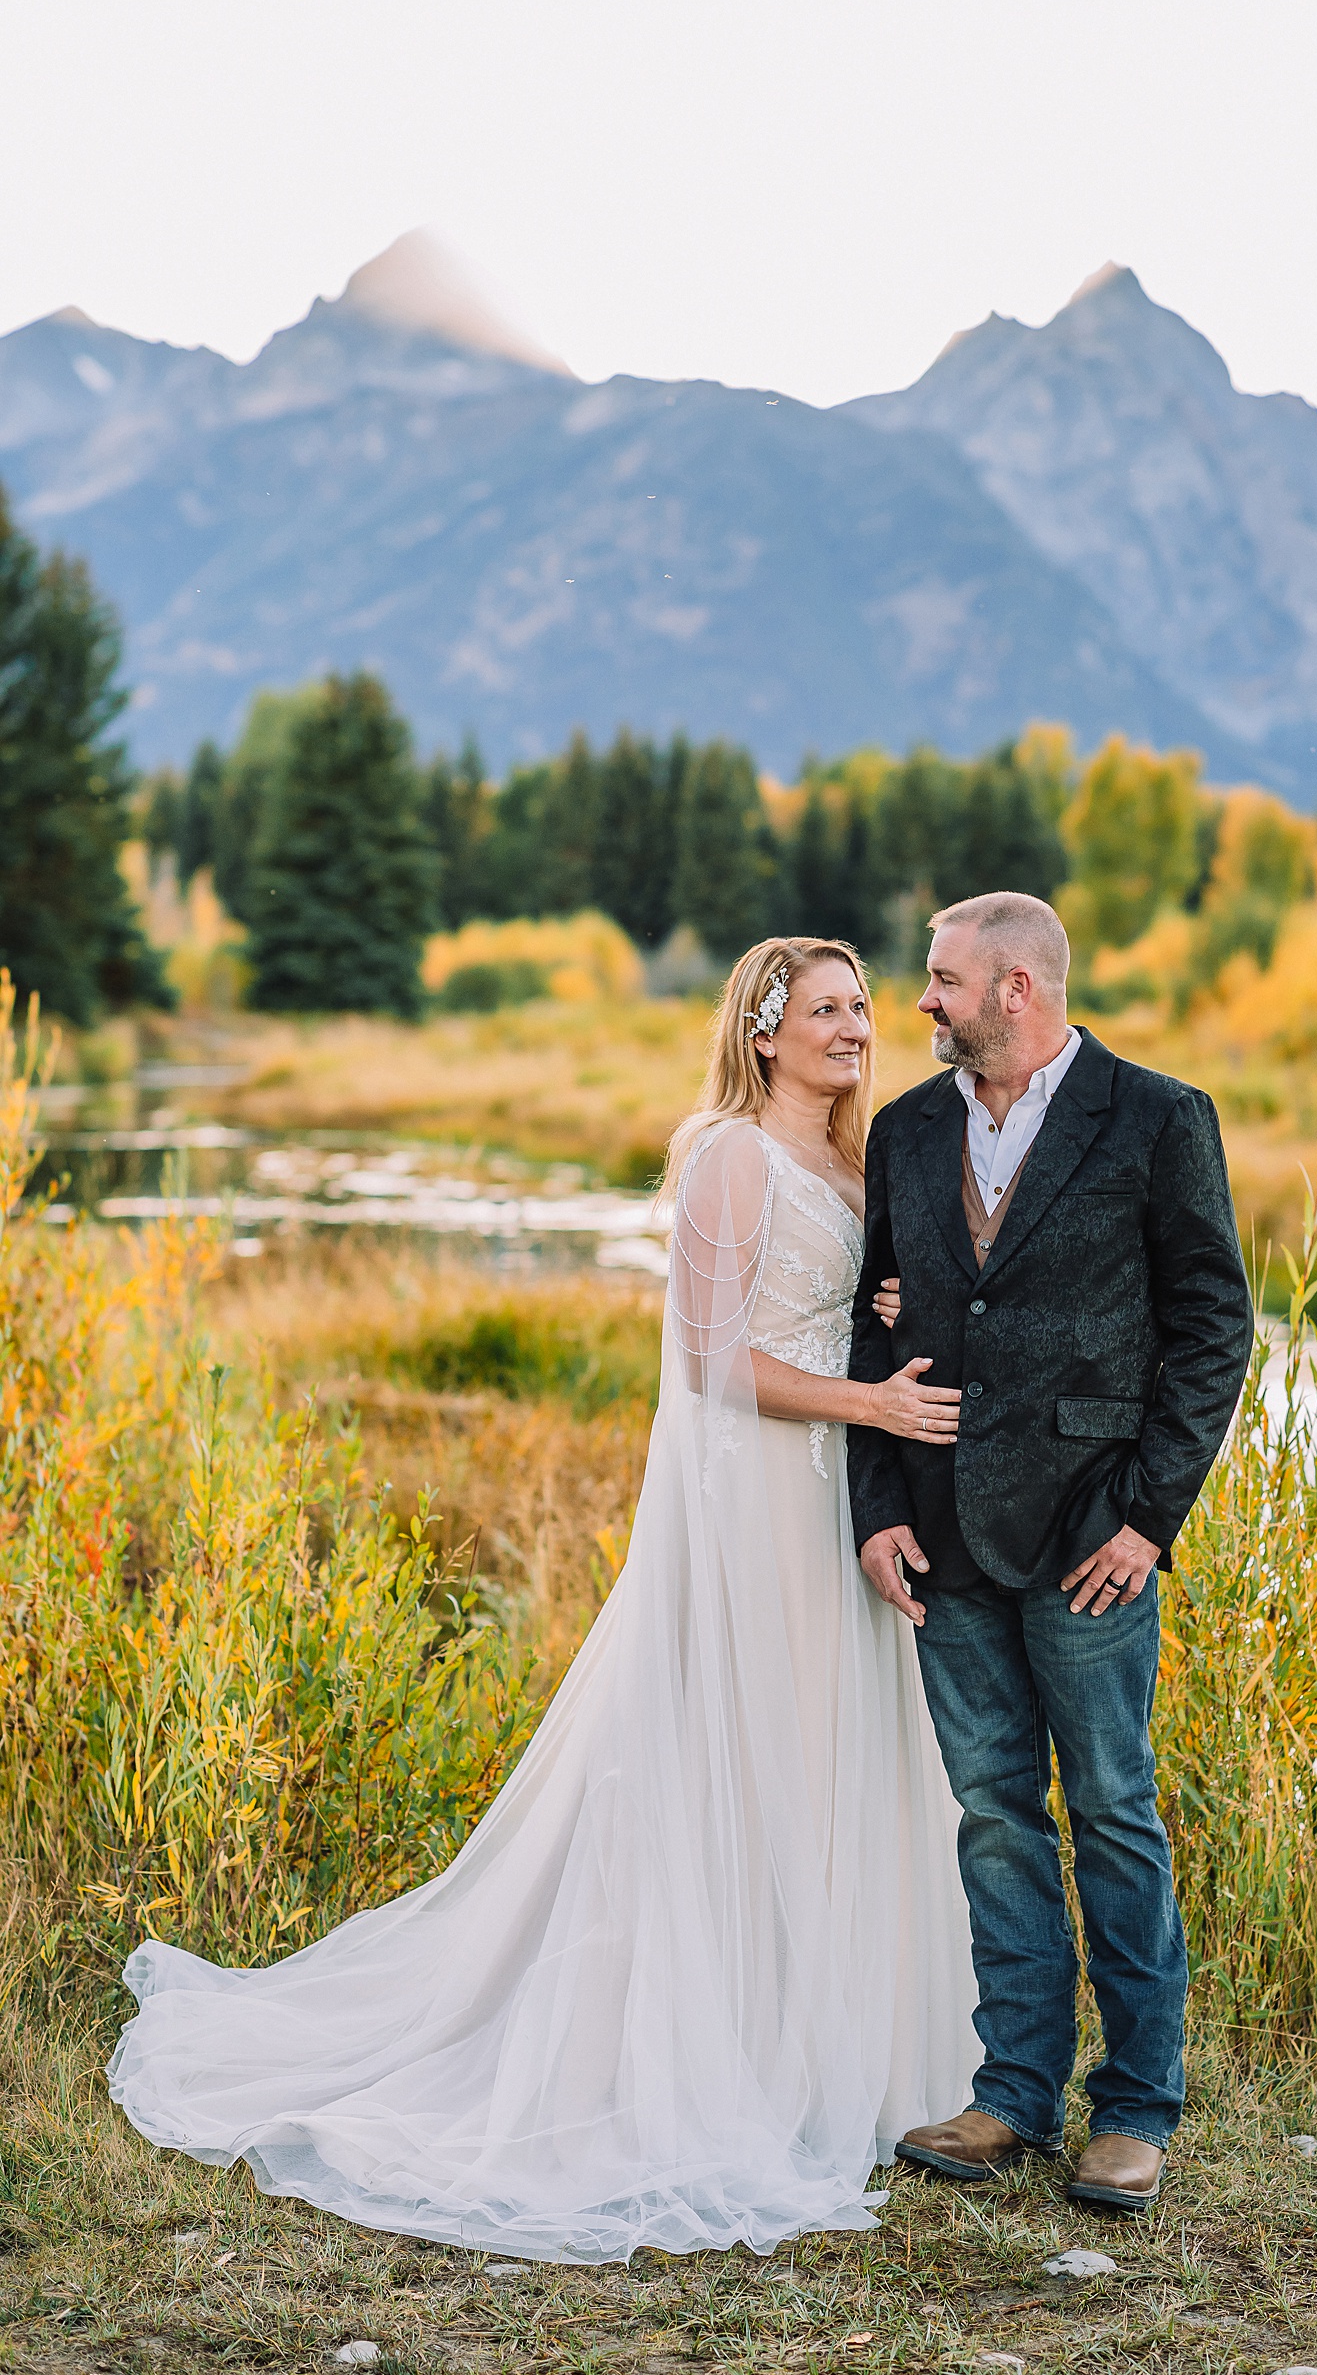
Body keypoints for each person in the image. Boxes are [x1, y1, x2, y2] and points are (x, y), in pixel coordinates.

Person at [109, 938, 981, 2265]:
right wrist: (871, 1397)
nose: (857, 1027)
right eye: (826, 1010)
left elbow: (830, 1310)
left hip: (839, 1508)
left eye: (864, 1006)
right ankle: (697, 2053)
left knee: (824, 1755)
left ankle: (822, 2053)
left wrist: (885, 1310)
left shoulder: (859, 1164)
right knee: (732, 1759)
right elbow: (706, 1361)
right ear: (763, 1036)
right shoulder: (728, 1155)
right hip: (752, 1500)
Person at [848, 892, 1253, 2212]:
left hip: (1092, 1537)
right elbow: (873, 1330)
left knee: (1116, 1817)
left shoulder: (1156, 1118)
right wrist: (876, 1507)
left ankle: (1135, 2109)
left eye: (941, 981)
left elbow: (1211, 1330)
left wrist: (1149, 1520)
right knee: (995, 1819)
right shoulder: (908, 1129)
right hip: (943, 1536)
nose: (923, 1004)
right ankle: (1014, 2094)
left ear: (1016, 987)